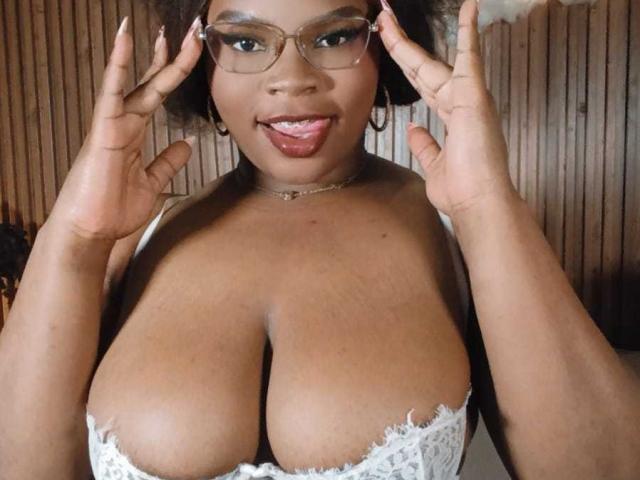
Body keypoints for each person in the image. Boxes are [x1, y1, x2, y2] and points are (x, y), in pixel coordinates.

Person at [0, 0, 638, 478]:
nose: (292, 78)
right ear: (202, 61)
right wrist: (76, 236)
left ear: (384, 44)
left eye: (333, 37)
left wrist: (489, 208)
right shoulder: (131, 242)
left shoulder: (460, 235)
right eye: (245, 41)